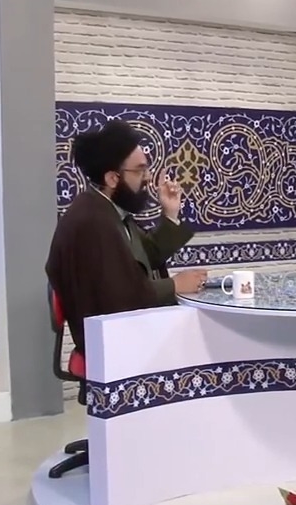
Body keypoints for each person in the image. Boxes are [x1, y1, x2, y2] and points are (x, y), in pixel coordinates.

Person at [46, 120, 208, 354]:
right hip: (111, 346)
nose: (148, 177)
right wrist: (175, 284)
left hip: (124, 334)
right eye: (140, 170)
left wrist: (170, 214)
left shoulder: (106, 210)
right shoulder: (93, 222)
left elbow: (144, 257)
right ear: (113, 178)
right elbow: (120, 296)